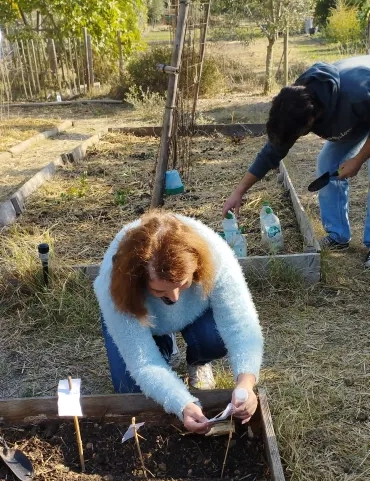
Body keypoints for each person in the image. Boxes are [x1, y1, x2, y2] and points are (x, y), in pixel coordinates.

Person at [94, 211, 263, 434]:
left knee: (215, 338)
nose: (173, 298)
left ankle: (199, 359)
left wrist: (246, 382)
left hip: (195, 312)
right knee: (131, 390)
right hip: (146, 320)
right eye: (158, 289)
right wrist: (182, 403)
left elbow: (242, 327)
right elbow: (142, 362)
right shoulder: (115, 284)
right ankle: (163, 343)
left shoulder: (215, 253)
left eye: (182, 284)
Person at [223, 56, 370, 267]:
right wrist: (239, 191)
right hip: (357, 119)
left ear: (311, 120)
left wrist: (357, 160)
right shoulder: (296, 105)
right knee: (327, 163)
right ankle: (338, 236)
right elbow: (271, 153)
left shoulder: (355, 91)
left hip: (364, 103)